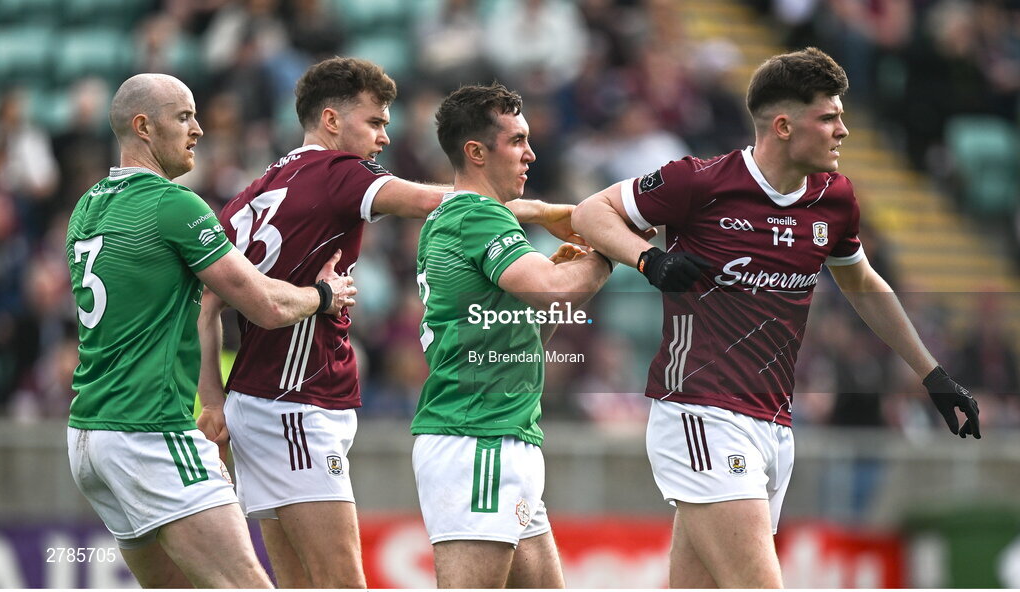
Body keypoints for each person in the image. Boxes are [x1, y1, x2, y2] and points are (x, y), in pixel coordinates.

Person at [571, 47, 981, 588]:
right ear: (784, 125)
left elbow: (862, 283)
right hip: (700, 411)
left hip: (774, 424)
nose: (844, 131)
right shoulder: (701, 182)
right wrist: (650, 259)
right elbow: (589, 212)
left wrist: (933, 375)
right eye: (829, 117)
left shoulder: (835, 200)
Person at [195, 57, 582, 588]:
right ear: (331, 121)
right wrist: (545, 212)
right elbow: (447, 200)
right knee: (342, 584)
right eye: (374, 122)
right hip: (298, 400)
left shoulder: (257, 188)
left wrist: (213, 399)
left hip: (254, 398)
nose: (384, 136)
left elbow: (208, 301)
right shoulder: (337, 173)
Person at [64, 73, 356, 588]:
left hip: (89, 436)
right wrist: (325, 296)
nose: (198, 129)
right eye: (183, 117)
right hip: (149, 431)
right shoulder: (172, 205)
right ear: (143, 127)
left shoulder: (87, 206)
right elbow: (264, 302)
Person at [412, 83, 613, 589]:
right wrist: (609, 248)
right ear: (476, 152)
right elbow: (552, 291)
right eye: (517, 141)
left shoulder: (459, 216)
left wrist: (555, 272)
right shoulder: (476, 216)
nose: (531, 153)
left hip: (503, 433)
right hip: (476, 437)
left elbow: (518, 323)